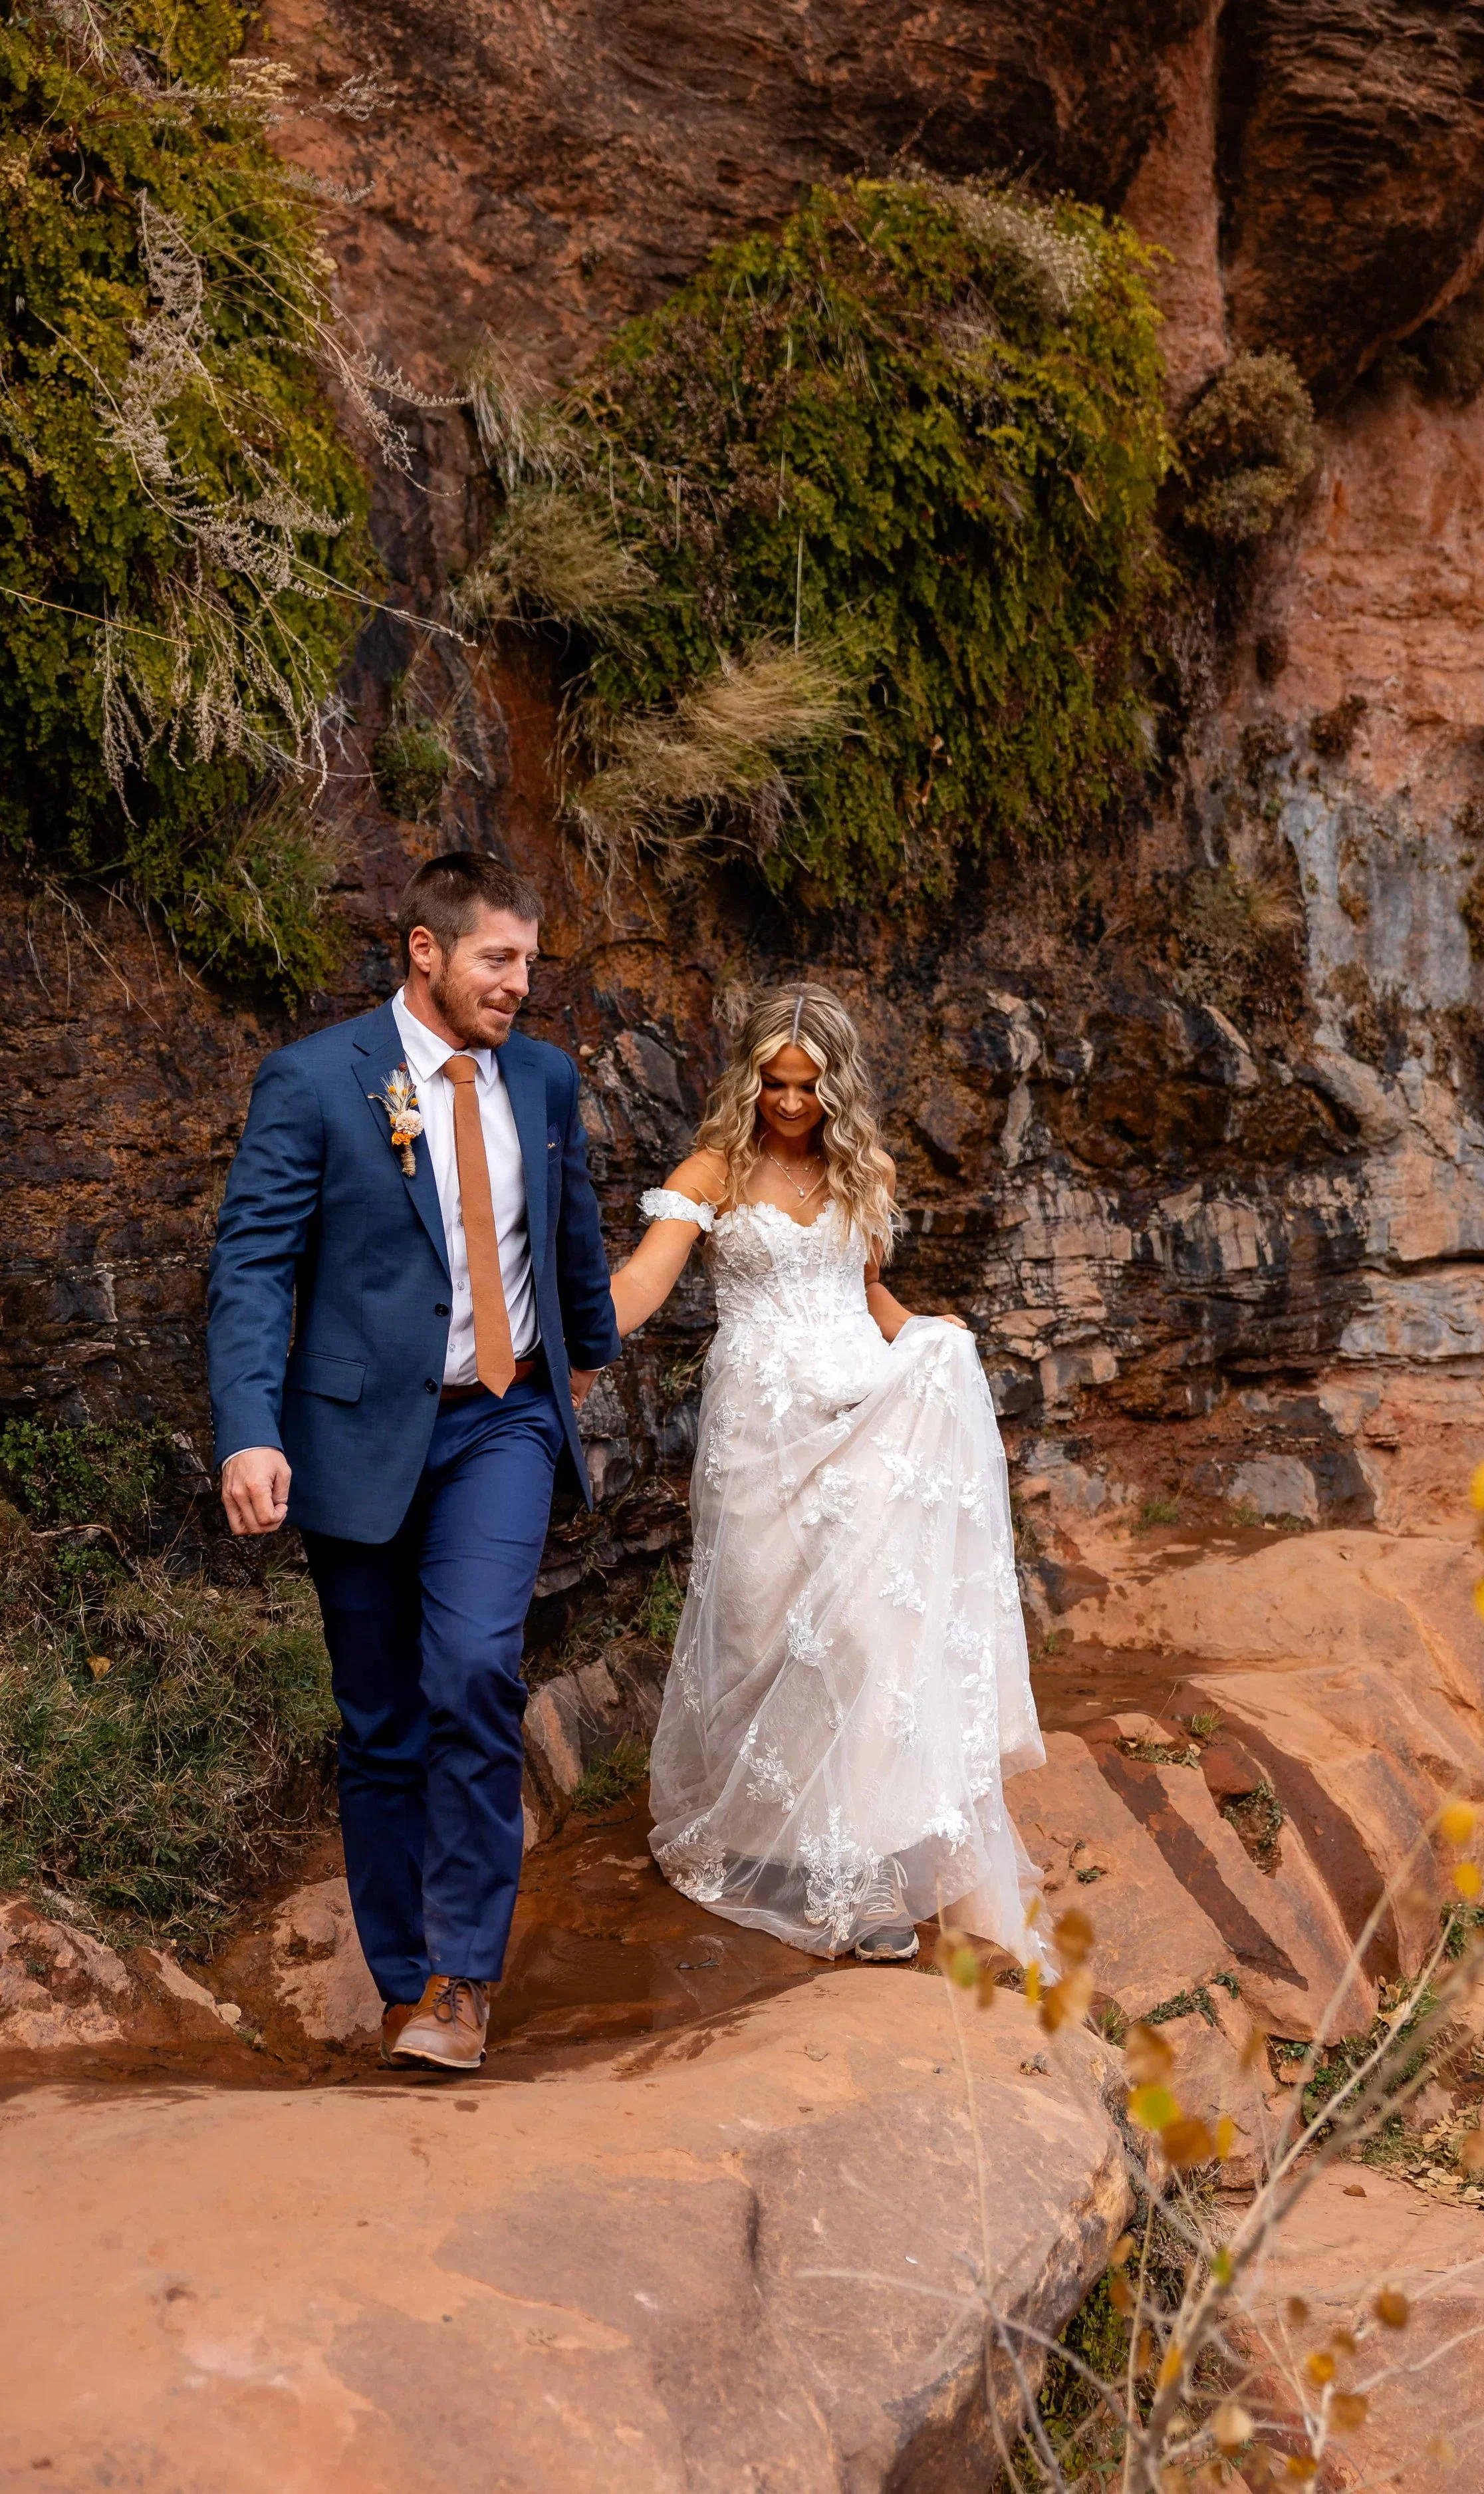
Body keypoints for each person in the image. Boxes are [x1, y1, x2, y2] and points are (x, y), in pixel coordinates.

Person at [206, 851, 619, 2073]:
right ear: (426, 952)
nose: (521, 986)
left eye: (532, 963)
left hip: (502, 1417)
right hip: (356, 1437)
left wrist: (585, 1352)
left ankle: (461, 1979)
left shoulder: (542, 1079)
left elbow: (572, 1222)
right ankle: (402, 1981)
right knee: (381, 1719)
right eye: (500, 959)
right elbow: (253, 1267)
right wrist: (247, 1424)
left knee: (479, 1668)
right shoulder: (315, 1082)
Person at [608, 984, 1047, 1966]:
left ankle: (869, 1866)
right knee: (764, 1625)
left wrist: (926, 1335)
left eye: (809, 1086)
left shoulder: (867, 1170)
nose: (792, 1103)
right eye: (774, 1081)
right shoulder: (713, 1169)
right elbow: (644, 1279)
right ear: (751, 1075)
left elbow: (870, 1290)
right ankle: (780, 1841)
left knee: (859, 1633)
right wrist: (567, 1338)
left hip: (862, 1414)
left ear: (837, 1084)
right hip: (760, 1430)